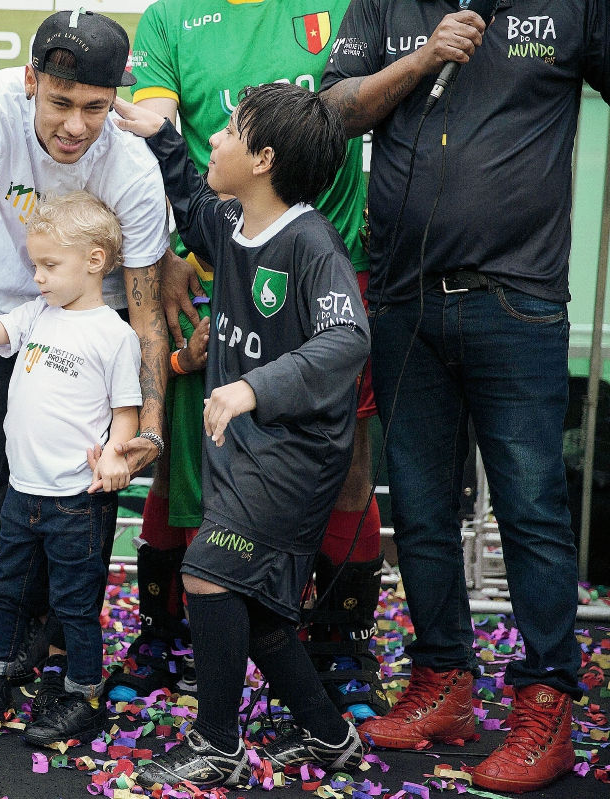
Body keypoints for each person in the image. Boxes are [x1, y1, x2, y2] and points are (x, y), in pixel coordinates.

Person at [320, 2, 610, 792]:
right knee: (419, 507)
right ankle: (443, 681)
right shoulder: (386, 5)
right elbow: (333, 110)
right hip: (405, 301)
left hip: (517, 300)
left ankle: (545, 700)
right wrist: (419, 62)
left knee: (531, 509)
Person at [114, 0, 387, 718]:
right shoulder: (230, 224)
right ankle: (326, 733)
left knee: (212, 572)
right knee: (253, 600)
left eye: (229, 130)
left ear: (262, 159)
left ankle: (218, 737)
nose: (213, 133)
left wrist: (252, 389)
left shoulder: (314, 245)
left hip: (288, 457)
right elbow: (187, 191)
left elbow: (345, 341)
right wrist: (156, 136)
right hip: (245, 458)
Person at [0, 9, 170, 694]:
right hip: (12, 313)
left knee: (84, 501)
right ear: (30, 79)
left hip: (100, 328)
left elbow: (149, 316)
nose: (75, 125)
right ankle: (25, 633)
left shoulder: (133, 169)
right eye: (60, 102)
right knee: (16, 485)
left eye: (95, 107)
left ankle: (67, 644)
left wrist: (148, 426)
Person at [0, 192, 142, 745]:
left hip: (77, 498)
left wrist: (116, 453)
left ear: (94, 261)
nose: (37, 277)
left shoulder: (115, 334)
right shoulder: (36, 313)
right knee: (10, 593)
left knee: (75, 603)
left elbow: (126, 413)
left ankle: (81, 695)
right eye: (34, 264)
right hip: (22, 493)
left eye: (49, 265)